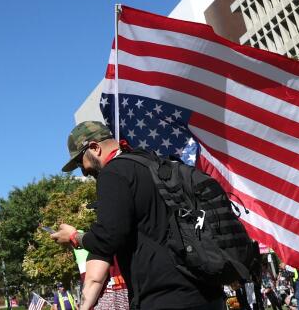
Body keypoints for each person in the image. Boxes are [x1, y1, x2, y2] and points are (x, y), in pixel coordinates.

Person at [50, 121, 224, 310]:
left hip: (164, 297)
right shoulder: (155, 163)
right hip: (207, 292)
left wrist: (75, 237)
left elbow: (108, 237)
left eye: (79, 161)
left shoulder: (113, 173)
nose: (83, 171)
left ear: (94, 147)